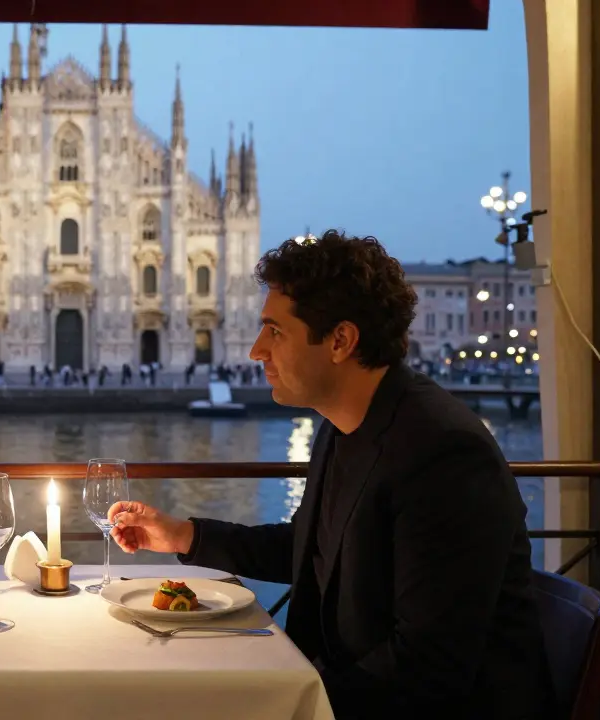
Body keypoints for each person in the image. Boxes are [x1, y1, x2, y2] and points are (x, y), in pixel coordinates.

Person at [109, 231, 552, 720]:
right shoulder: (344, 425)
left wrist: (285, 707)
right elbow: (311, 546)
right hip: (349, 686)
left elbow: (428, 666)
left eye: (275, 331)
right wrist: (180, 535)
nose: (257, 351)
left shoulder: (443, 452)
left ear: (340, 341)